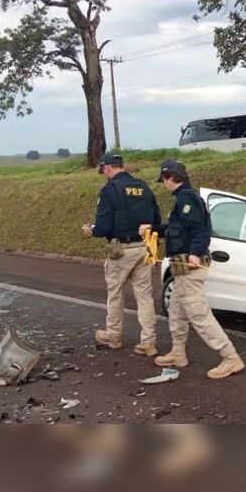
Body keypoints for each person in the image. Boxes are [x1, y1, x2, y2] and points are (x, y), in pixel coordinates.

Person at [144, 158, 245, 380]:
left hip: (189, 267)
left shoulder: (187, 200)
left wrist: (195, 253)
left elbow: (199, 230)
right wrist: (153, 229)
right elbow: (174, 229)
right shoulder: (183, 199)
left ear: (171, 177)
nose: (163, 184)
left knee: (198, 314)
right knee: (177, 311)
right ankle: (178, 353)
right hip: (181, 269)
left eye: (163, 180)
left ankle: (230, 357)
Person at [82, 152, 162, 357]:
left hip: (121, 250)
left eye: (103, 171)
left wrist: (91, 230)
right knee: (144, 296)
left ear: (107, 168)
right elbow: (157, 220)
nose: (104, 175)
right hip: (145, 248)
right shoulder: (144, 187)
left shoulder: (109, 190)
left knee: (115, 292)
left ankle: (114, 336)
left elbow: (103, 226)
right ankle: (148, 342)